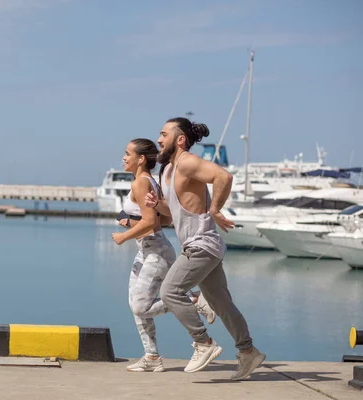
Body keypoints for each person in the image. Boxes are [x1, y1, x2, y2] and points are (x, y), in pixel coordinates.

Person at [145, 117, 265, 380]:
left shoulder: (187, 161)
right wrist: (157, 205)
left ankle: (203, 343)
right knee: (221, 304)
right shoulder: (167, 171)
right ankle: (248, 352)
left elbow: (223, 176)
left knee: (170, 291)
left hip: (202, 245)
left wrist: (215, 209)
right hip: (201, 246)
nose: (159, 139)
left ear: (180, 140)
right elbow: (173, 211)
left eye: (164, 134)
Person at [112, 138, 216, 372]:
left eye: (127, 153)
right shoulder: (148, 181)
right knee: (134, 304)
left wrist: (124, 235)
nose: (123, 157)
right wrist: (131, 222)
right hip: (147, 251)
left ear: (141, 159)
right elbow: (165, 219)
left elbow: (151, 223)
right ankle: (151, 357)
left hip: (156, 252)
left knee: (140, 306)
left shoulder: (141, 182)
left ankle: (194, 300)